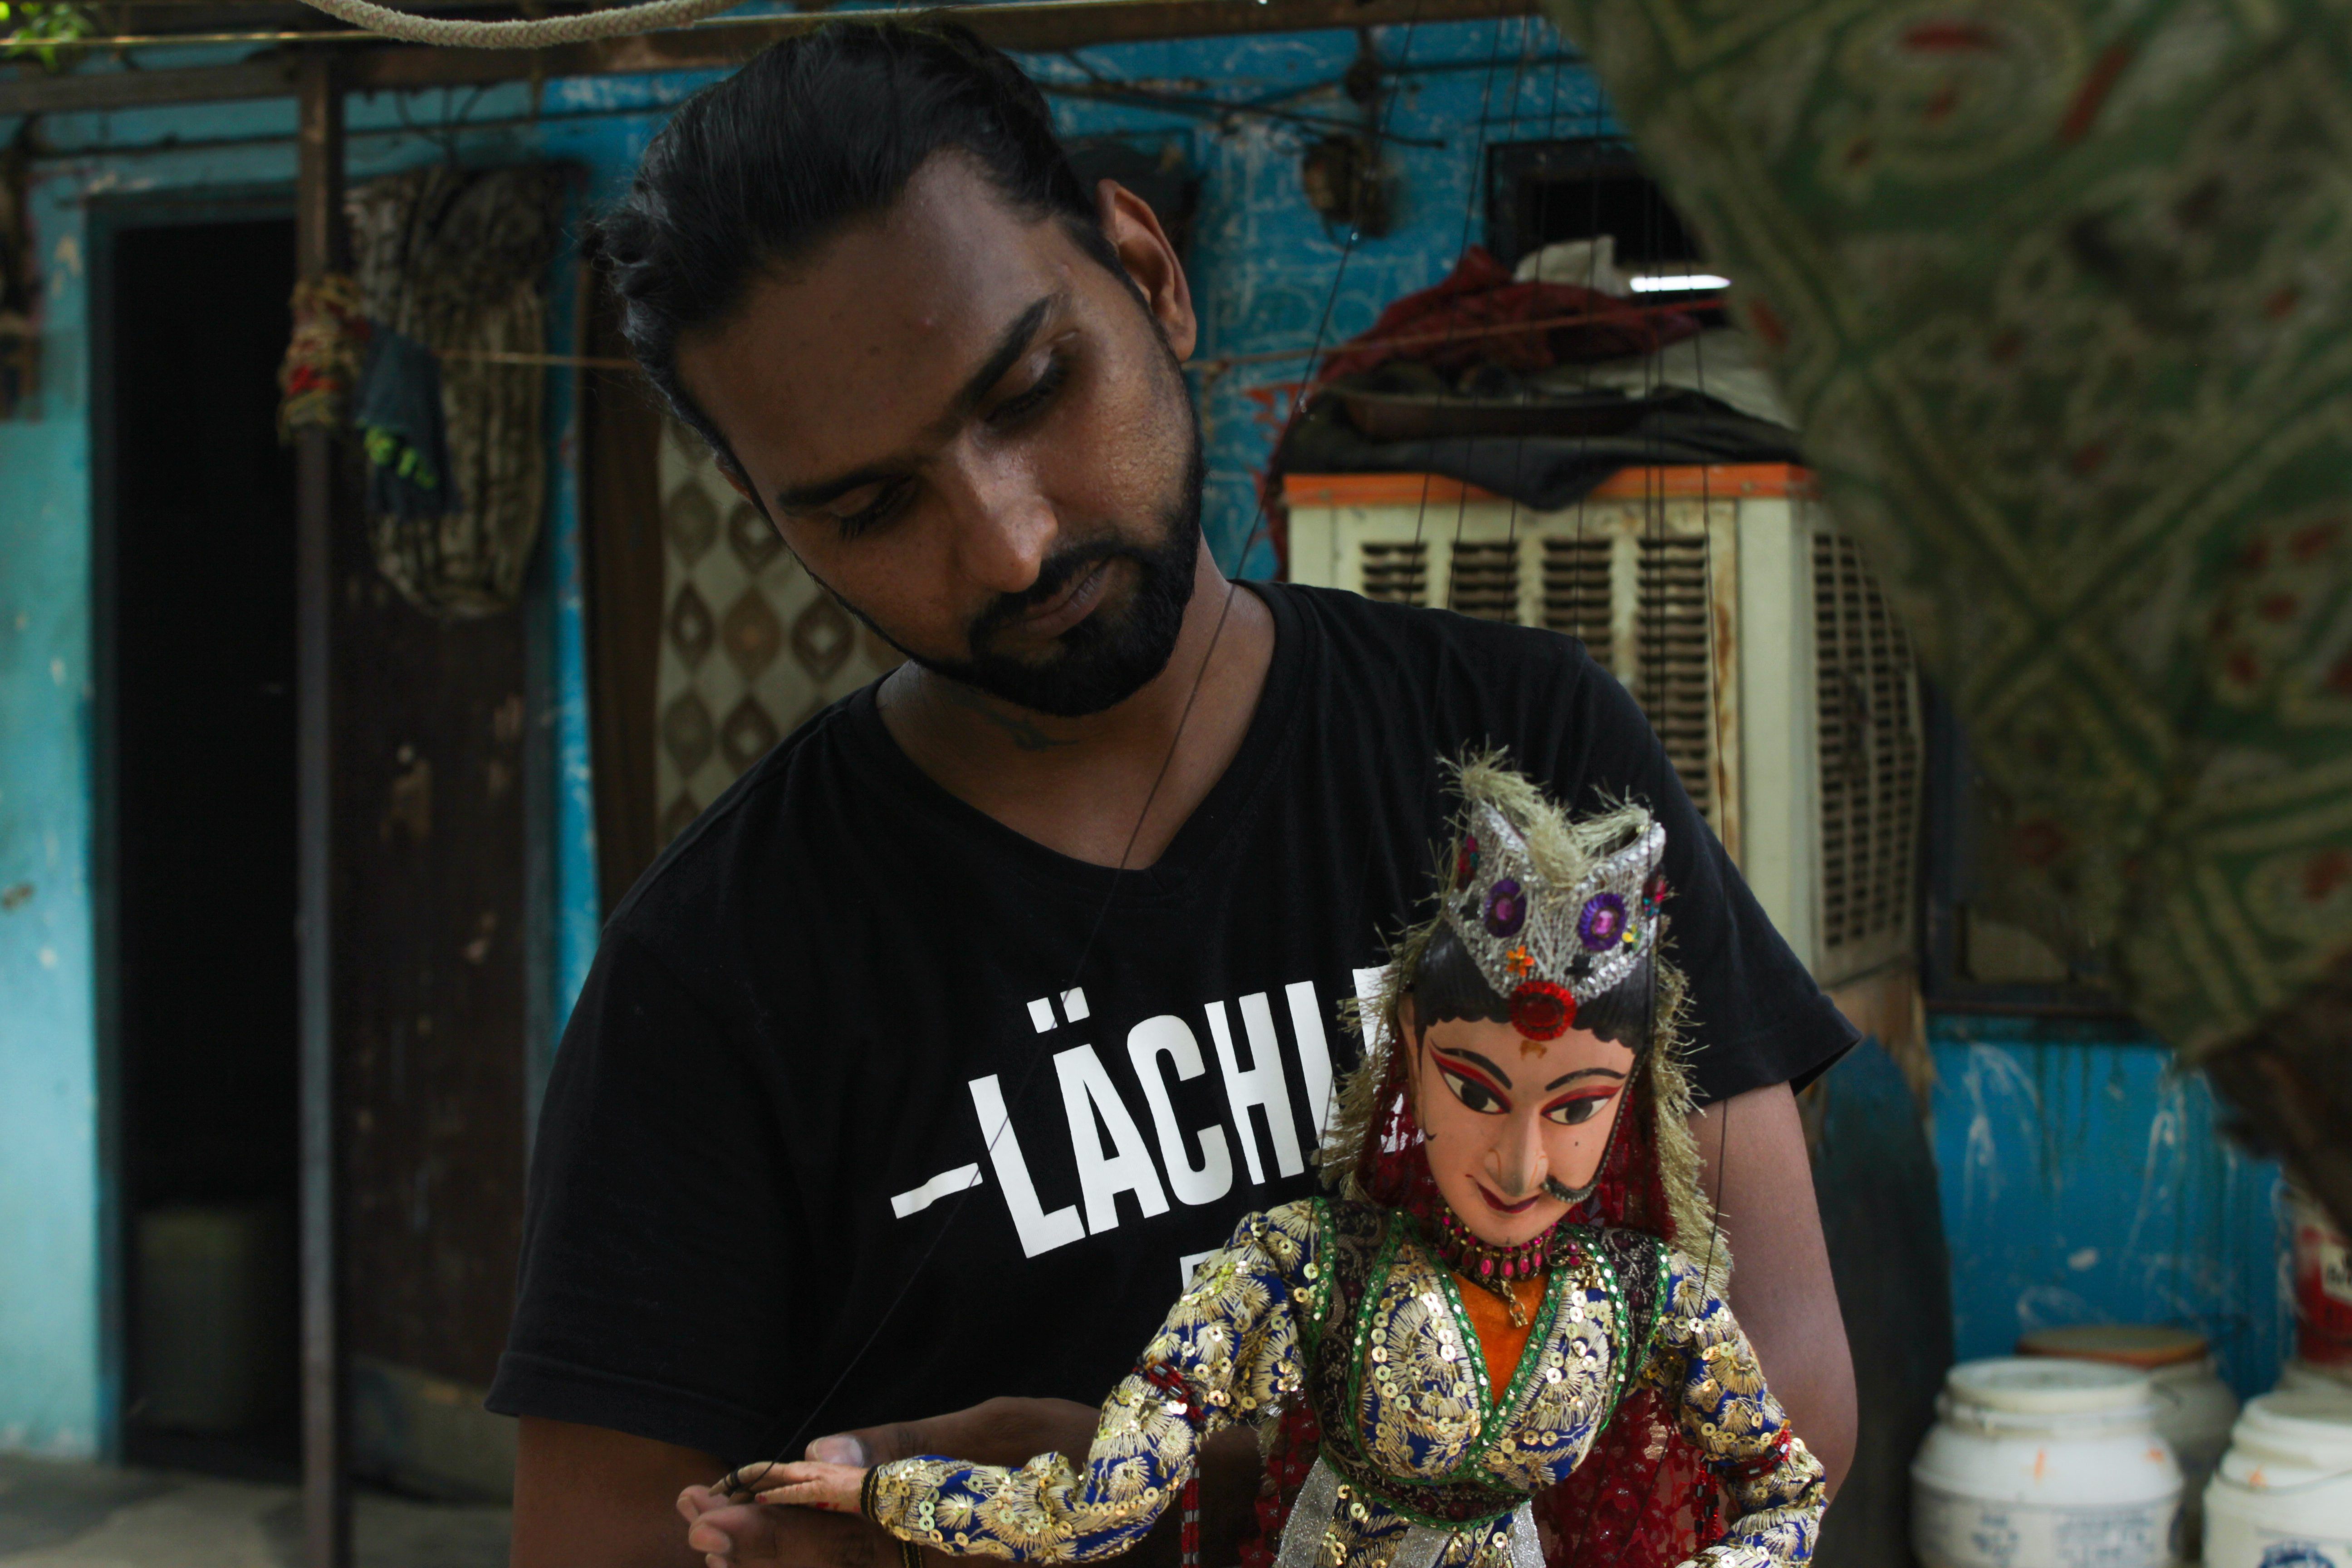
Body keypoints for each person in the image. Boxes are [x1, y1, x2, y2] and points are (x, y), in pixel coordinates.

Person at [493, 19, 1859, 1568]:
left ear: (1149, 276)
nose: (1009, 542)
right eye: (872, 504)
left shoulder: (1527, 751)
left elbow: (1788, 1409)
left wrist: (1189, 1504)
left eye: (1031, 390)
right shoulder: (713, 974)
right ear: (768, 515)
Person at [742, 761, 1828, 1568]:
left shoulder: (1648, 1298)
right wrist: (888, 1498)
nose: (1520, 1160)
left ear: (1630, 1102)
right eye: (1476, 1092)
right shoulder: (1301, 1266)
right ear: (1409, 1053)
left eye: (1577, 1108)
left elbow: (1789, 1492)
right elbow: (1105, 1508)